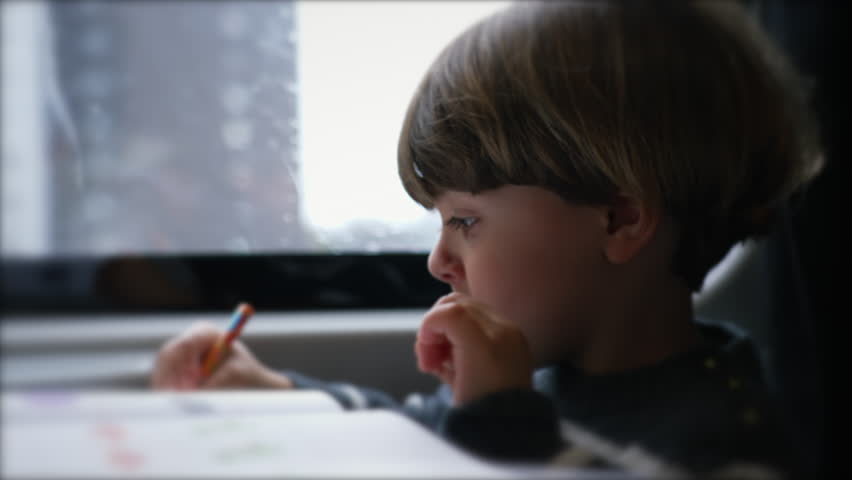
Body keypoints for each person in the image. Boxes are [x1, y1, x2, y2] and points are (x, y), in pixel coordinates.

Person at [151, 1, 823, 477]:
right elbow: (422, 430)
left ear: (619, 221)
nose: (439, 261)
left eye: (465, 222)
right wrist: (271, 390)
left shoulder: (723, 447)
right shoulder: (545, 377)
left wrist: (500, 422)